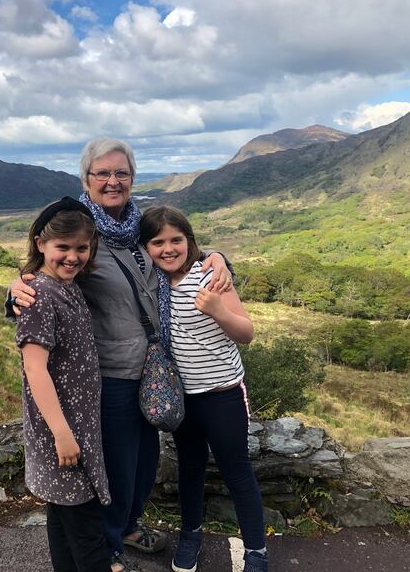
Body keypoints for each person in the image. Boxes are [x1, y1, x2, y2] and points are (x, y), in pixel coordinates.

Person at [9, 137, 234, 572]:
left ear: (132, 178)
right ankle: (107, 550)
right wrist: (12, 291)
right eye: (102, 174)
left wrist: (219, 258)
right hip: (109, 375)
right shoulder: (78, 231)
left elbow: (180, 252)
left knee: (143, 468)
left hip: (150, 371)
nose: (113, 181)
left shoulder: (141, 226)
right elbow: (42, 279)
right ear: (86, 180)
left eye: (122, 173)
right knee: (114, 471)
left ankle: (126, 528)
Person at [140, 205, 268, 572]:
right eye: (157, 242)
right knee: (190, 469)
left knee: (237, 471)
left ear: (189, 240)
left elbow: (245, 333)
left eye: (176, 240)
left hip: (222, 394)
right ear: (146, 247)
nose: (168, 248)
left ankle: (256, 551)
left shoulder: (210, 275)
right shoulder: (152, 284)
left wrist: (218, 310)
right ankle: (191, 536)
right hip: (182, 398)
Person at [15, 197, 112, 572]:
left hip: (74, 429)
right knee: (88, 535)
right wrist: (61, 433)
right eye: (63, 247)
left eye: (81, 248)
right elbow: (35, 369)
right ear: (41, 244)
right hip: (64, 434)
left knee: (62, 521)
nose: (72, 257)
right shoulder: (39, 296)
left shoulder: (66, 285)